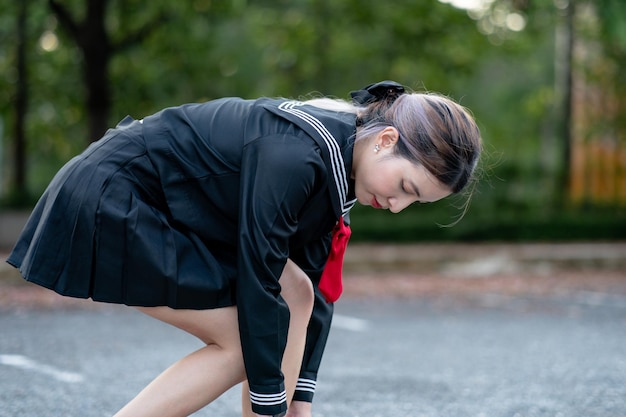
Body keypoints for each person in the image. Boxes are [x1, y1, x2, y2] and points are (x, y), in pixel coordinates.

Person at [6, 80, 482, 417]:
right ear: (386, 140)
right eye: (405, 187)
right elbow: (258, 276)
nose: (397, 206)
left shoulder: (338, 162)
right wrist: (269, 400)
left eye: (412, 202)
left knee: (295, 291)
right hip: (111, 197)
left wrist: (298, 404)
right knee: (241, 346)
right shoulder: (296, 157)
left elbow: (312, 291)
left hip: (152, 202)